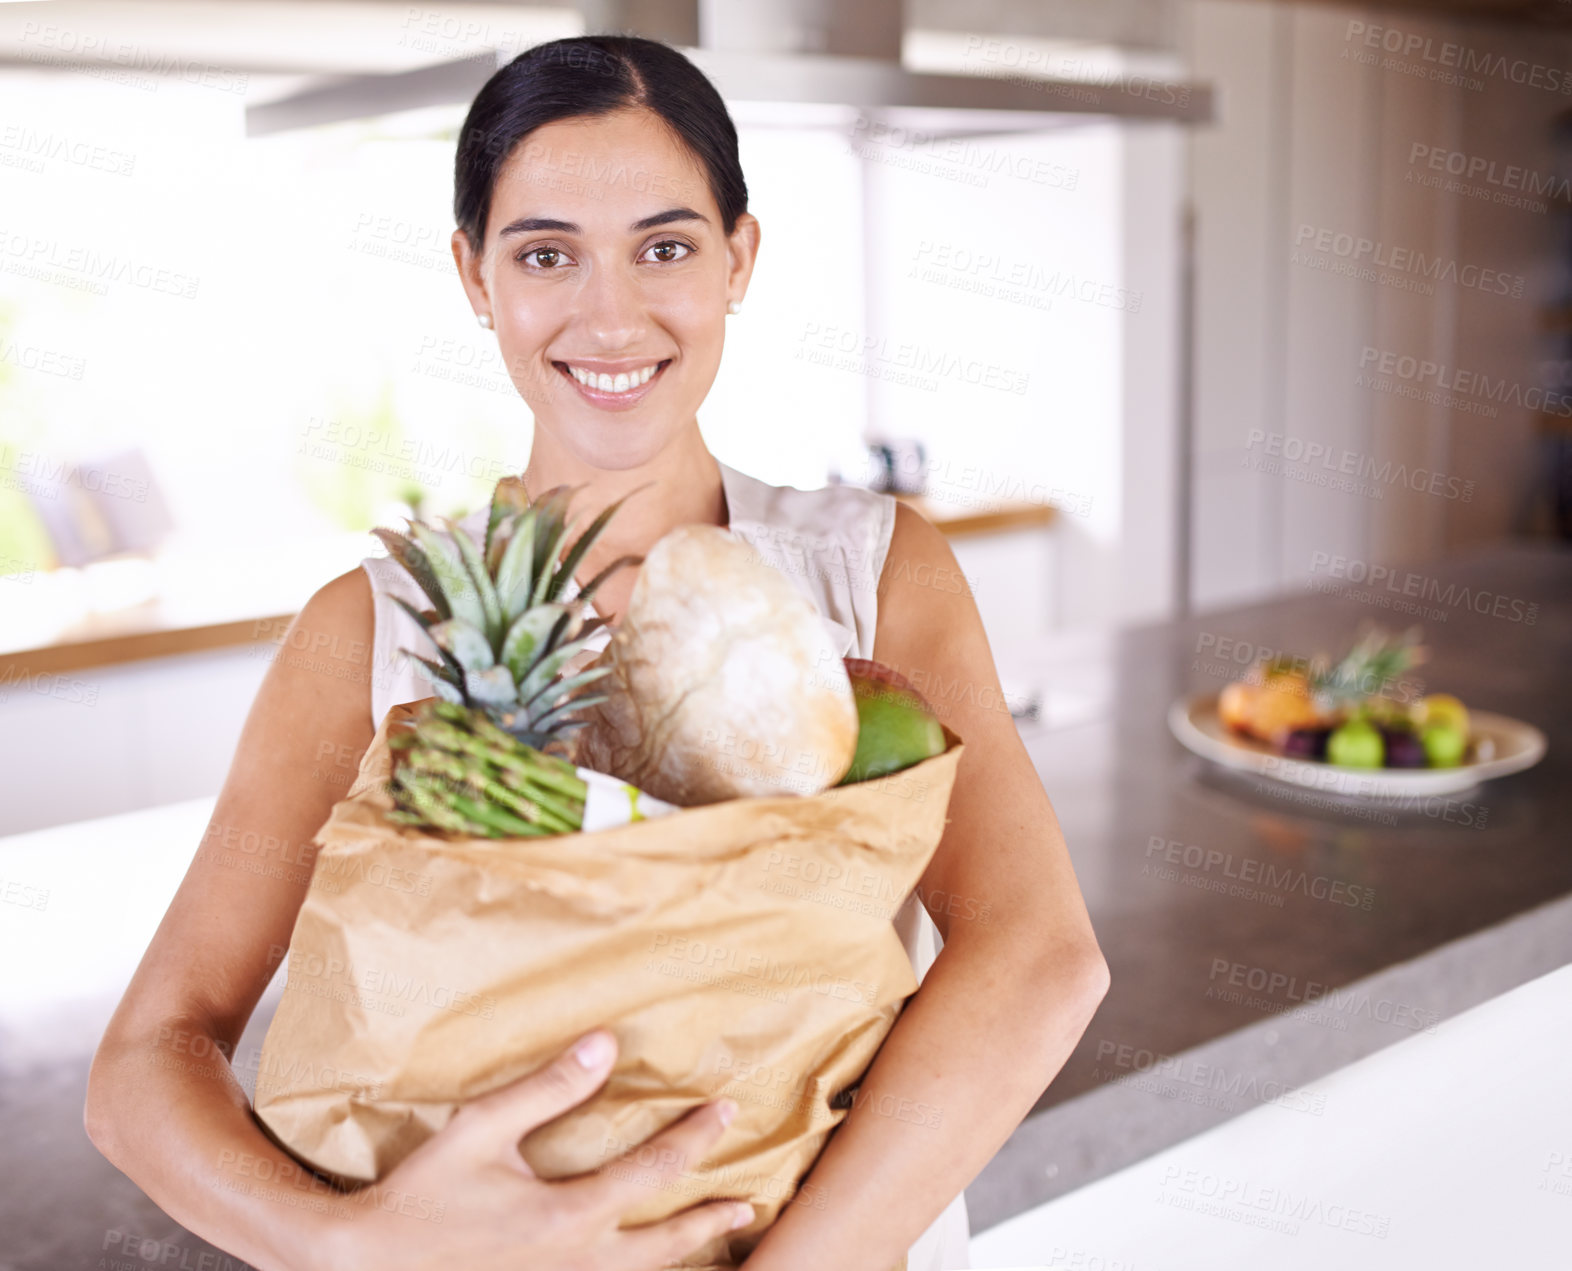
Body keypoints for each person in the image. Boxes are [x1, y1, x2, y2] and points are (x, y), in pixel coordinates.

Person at [86, 34, 1109, 1271]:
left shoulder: (874, 573)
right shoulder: (370, 632)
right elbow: (150, 1056)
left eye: (666, 247)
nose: (610, 314)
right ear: (474, 273)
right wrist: (340, 1241)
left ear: (740, 258)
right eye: (545, 253)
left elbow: (1040, 957)